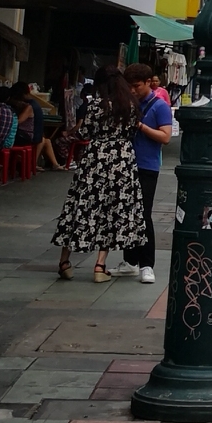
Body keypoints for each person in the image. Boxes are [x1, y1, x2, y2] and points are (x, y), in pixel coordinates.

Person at [52, 67, 146, 282]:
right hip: (122, 160)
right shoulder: (130, 105)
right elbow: (132, 131)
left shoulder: (95, 105)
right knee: (111, 210)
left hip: (95, 158)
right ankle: (100, 265)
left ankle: (65, 262)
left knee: (80, 206)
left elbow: (84, 133)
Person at [118, 64, 173, 284]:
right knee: (125, 213)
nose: (132, 91)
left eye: (136, 86)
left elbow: (165, 137)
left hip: (147, 166)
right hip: (125, 164)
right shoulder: (128, 104)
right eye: (129, 86)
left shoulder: (159, 106)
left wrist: (140, 126)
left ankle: (147, 264)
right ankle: (129, 261)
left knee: (143, 214)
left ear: (148, 83)